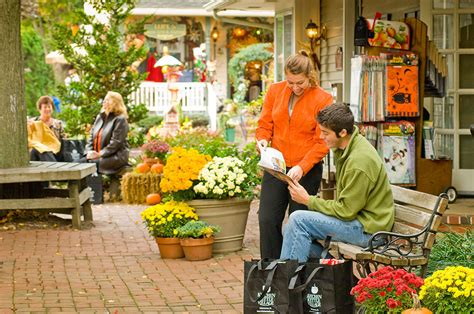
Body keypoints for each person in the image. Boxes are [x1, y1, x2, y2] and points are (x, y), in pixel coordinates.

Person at [280, 103, 395, 262]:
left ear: (342, 132)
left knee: (298, 220)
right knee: (294, 231)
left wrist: (308, 200)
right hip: (361, 221)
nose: (321, 137)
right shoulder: (346, 146)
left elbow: (346, 211)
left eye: (326, 133)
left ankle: (287, 282)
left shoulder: (359, 162)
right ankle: (336, 278)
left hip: (369, 231)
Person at [255, 51, 333, 259]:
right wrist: (262, 139)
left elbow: (322, 141)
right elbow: (264, 125)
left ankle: (299, 270)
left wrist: (302, 166)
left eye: (300, 83)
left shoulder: (322, 99)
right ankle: (272, 268)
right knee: (267, 219)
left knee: (298, 221)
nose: (295, 87)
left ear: (310, 76)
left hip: (305, 171)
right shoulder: (275, 91)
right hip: (276, 167)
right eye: (291, 82)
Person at [84, 91, 130, 175]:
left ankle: (95, 188)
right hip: (98, 156)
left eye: (108, 100)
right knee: (78, 162)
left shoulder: (120, 119)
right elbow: (91, 137)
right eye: (104, 100)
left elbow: (116, 143)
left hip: (115, 157)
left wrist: (99, 154)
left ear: (115, 103)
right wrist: (89, 151)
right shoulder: (100, 117)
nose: (104, 102)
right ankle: (85, 188)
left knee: (89, 165)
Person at [28, 95, 65, 162]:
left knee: (43, 151)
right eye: (45, 107)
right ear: (40, 109)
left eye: (49, 107)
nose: (47, 109)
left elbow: (64, 141)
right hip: (37, 152)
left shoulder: (58, 123)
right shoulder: (32, 122)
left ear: (52, 109)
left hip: (55, 153)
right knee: (37, 149)